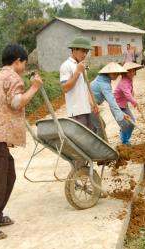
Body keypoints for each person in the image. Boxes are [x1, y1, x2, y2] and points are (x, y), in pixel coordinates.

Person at [0, 44, 43, 240]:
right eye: (24, 62)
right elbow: (16, 102)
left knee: (8, 176)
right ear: (17, 61)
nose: (24, 66)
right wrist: (35, 87)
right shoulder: (12, 77)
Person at [59, 37, 99, 165]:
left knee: (91, 140)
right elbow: (65, 88)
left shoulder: (79, 66)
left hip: (86, 110)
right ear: (74, 50)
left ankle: (86, 171)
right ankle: (78, 176)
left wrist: (93, 104)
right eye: (82, 51)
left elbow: (84, 89)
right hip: (76, 112)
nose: (84, 54)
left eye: (86, 52)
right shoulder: (66, 66)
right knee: (80, 146)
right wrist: (77, 73)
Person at [90, 62, 131, 139]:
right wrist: (121, 115)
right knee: (101, 126)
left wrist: (122, 113)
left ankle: (99, 144)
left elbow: (110, 100)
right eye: (114, 73)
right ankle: (100, 146)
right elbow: (111, 101)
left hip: (91, 105)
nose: (116, 75)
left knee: (96, 127)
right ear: (108, 73)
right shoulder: (104, 84)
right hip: (89, 106)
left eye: (117, 73)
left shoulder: (103, 80)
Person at [114, 62, 143, 144]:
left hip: (124, 105)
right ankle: (125, 141)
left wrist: (133, 101)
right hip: (117, 106)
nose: (131, 73)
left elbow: (130, 92)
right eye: (129, 71)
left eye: (133, 71)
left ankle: (124, 136)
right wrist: (136, 103)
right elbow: (128, 95)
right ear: (125, 72)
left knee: (132, 122)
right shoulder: (123, 82)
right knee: (126, 125)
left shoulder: (130, 79)